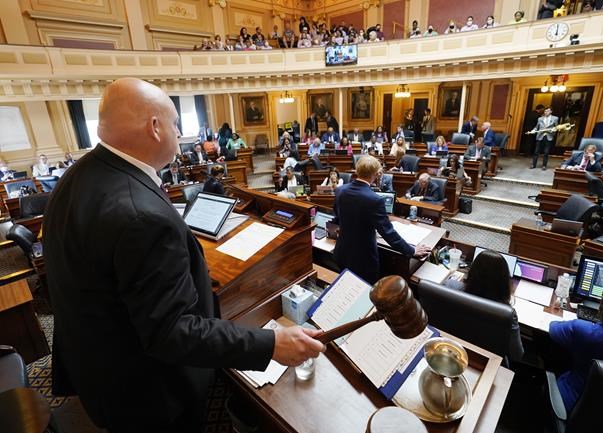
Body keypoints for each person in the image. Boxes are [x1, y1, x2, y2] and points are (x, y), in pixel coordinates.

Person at [42, 78, 325, 433]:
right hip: (147, 393)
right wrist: (271, 343)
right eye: (175, 123)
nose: (179, 132)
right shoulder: (142, 217)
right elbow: (171, 332)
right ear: (155, 127)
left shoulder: (76, 177)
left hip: (97, 366)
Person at [332, 156, 431, 283]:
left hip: (342, 252)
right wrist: (411, 250)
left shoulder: (340, 190)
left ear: (357, 170)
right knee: (366, 290)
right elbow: (388, 233)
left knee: (346, 285)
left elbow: (338, 216)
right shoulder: (375, 199)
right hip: (362, 259)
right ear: (375, 174)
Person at [445, 250, 525, 362]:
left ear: (472, 271)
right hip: (486, 362)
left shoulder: (450, 287)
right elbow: (517, 355)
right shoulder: (507, 313)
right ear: (504, 280)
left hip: (451, 351)